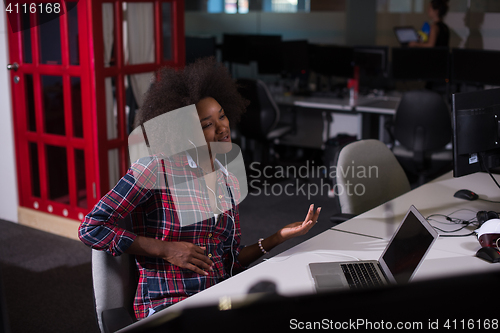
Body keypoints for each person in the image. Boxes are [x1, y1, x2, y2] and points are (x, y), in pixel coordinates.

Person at [78, 57, 321, 320]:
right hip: (168, 304)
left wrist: (279, 237)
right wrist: (165, 249)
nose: (222, 128)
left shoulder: (228, 180)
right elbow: (91, 228)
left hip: (219, 297)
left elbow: (228, 260)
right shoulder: (156, 169)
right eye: (207, 124)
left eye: (222, 116)